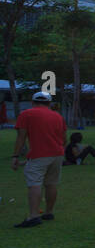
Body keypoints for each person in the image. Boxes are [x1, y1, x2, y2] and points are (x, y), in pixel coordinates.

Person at [12, 91, 67, 228]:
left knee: (34, 183)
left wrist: (15, 156)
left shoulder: (26, 114)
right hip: (57, 154)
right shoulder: (58, 116)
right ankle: (49, 212)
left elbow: (21, 137)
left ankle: (34, 216)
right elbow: (64, 138)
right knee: (51, 183)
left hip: (38, 154)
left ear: (33, 102)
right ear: (49, 103)